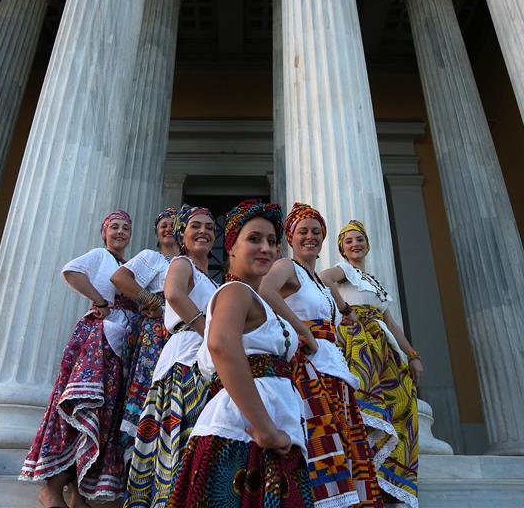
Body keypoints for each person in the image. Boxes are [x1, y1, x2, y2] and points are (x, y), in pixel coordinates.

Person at [167, 199, 313, 508]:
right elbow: (221, 345)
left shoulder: (256, 300)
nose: (266, 248)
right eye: (254, 239)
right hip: (245, 432)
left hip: (266, 431)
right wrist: (265, 429)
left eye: (272, 241)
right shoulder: (235, 292)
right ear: (231, 247)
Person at [260, 203, 382, 508]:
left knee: (341, 439)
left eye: (316, 231)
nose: (310, 237)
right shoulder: (287, 267)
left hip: (332, 366)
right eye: (303, 231)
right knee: (319, 439)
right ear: (290, 237)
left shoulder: (320, 283)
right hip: (307, 366)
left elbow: (334, 314)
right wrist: (302, 330)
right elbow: (265, 290)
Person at [20, 210, 139, 508]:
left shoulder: (127, 265)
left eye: (125, 228)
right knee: (81, 405)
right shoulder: (101, 255)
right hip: (98, 340)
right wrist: (99, 301)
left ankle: (77, 495)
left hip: (118, 344)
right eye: (114, 227)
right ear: (104, 232)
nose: (120, 232)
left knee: (103, 416)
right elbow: (71, 271)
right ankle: (52, 489)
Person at [320, 220, 421, 508]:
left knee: (402, 402)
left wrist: (413, 355)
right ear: (342, 247)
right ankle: (361, 472)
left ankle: (389, 475)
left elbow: (393, 325)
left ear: (367, 244)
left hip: (383, 348)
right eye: (349, 240)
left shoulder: (375, 282)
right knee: (362, 404)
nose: (355, 244)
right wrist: (344, 309)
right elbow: (323, 277)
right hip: (358, 344)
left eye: (359, 239)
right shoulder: (345, 271)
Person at [125, 205, 219, 508]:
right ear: (182, 235)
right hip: (185, 358)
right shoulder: (182, 263)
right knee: (178, 441)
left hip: (208, 357)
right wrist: (209, 332)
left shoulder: (213, 281)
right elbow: (174, 295)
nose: (203, 231)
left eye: (209, 226)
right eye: (195, 226)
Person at [112, 208, 178, 457]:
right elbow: (120, 278)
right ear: (156, 232)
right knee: (149, 385)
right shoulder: (152, 257)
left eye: (173, 224)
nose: (168, 227)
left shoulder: (187, 262)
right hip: (156, 332)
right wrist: (153, 302)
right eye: (163, 224)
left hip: (181, 333)